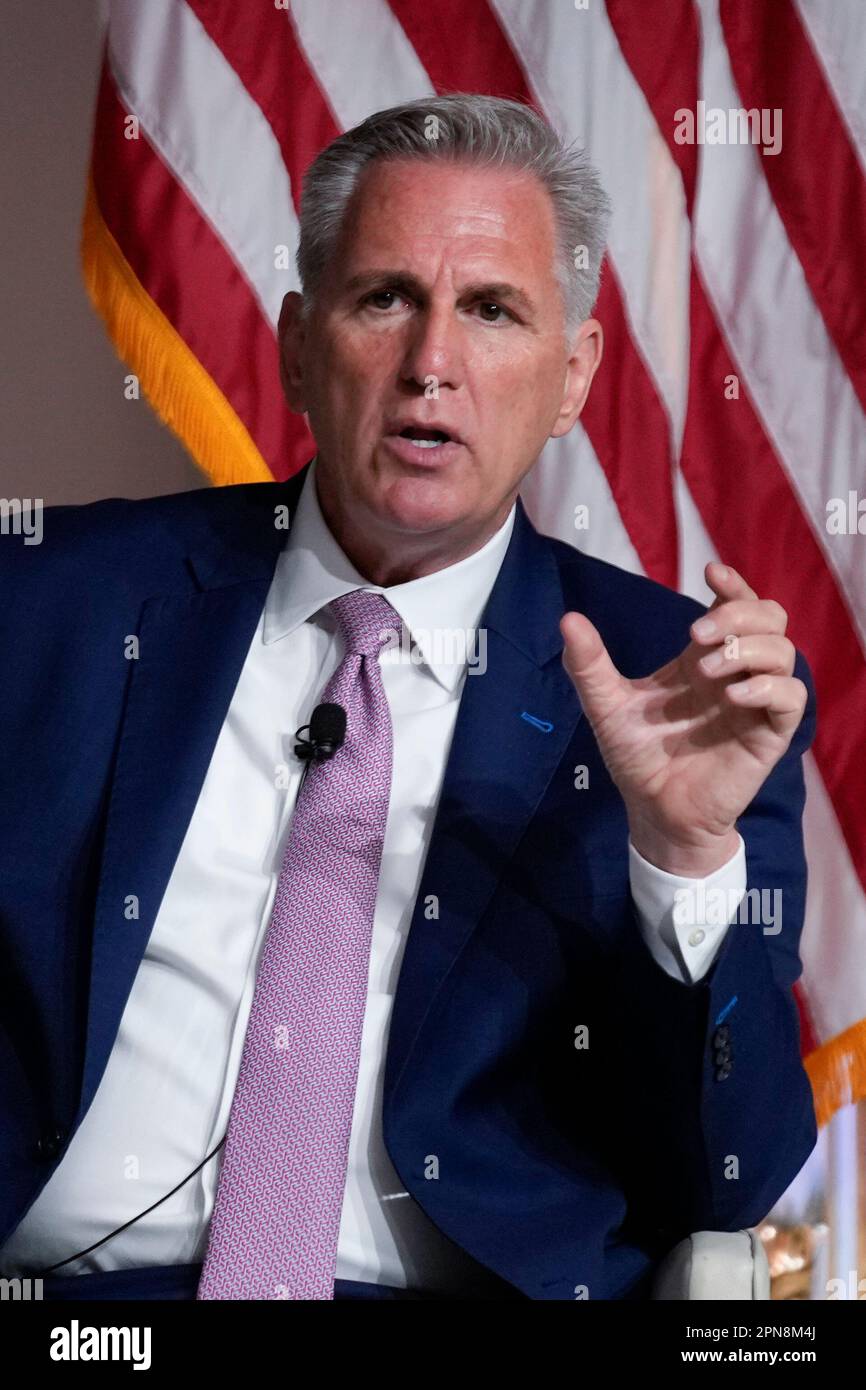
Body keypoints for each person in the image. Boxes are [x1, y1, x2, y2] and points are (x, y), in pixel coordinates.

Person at [0, 93, 816, 1301]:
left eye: (491, 311)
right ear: (294, 340)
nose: (431, 363)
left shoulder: (677, 681)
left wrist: (682, 860)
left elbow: (723, 1181)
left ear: (572, 374)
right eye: (385, 297)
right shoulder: (50, 605)